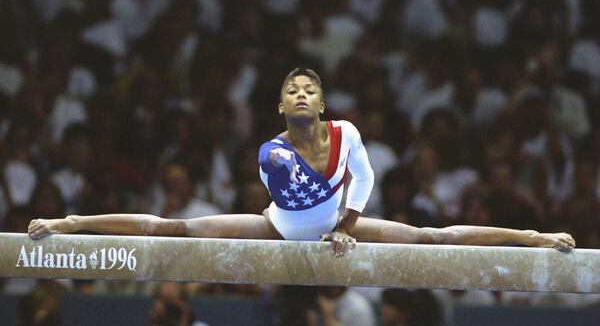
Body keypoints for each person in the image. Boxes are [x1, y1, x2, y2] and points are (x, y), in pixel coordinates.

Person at [28, 68, 576, 257]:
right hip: (278, 228)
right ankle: (71, 222)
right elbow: (297, 203)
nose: (299, 94)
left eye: (309, 89)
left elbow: (363, 179)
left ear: (322, 102)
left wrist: (344, 229)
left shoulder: (348, 133)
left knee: (433, 240)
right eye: (291, 90)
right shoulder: (273, 153)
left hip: (342, 228)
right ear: (280, 104)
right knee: (176, 228)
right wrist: (328, 232)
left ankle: (530, 236)